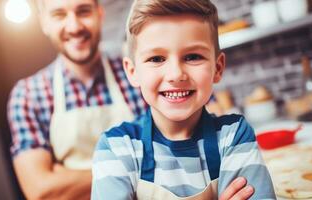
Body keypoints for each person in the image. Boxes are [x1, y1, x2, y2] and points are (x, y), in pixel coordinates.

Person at [91, 0, 276, 199]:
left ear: (218, 68)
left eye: (193, 56)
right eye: (156, 59)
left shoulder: (233, 135)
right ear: (133, 71)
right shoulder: (117, 147)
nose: (176, 74)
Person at [7, 0, 148, 199]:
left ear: (100, 14)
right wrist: (136, 166)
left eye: (83, 11)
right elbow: (40, 191)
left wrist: (65, 177)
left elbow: (173, 154)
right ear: (44, 22)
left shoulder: (137, 75)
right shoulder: (29, 95)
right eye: (59, 15)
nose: (74, 27)